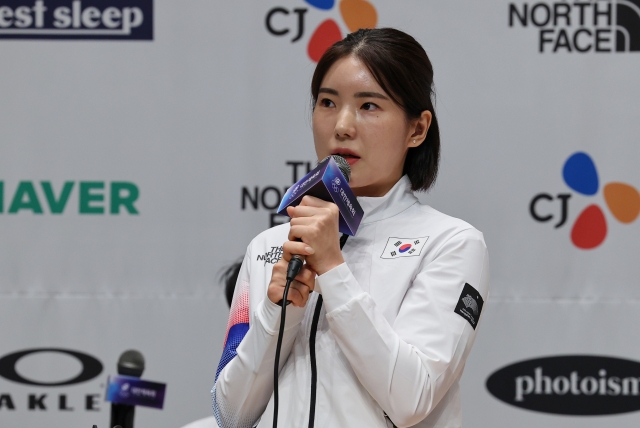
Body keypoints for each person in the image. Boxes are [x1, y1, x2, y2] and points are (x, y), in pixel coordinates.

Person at [212, 28, 489, 428]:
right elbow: (230, 415)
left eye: (369, 106)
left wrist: (334, 271)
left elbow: (411, 398)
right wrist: (279, 313)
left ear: (418, 129)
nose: (341, 125)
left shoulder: (452, 244)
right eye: (327, 102)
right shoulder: (269, 246)